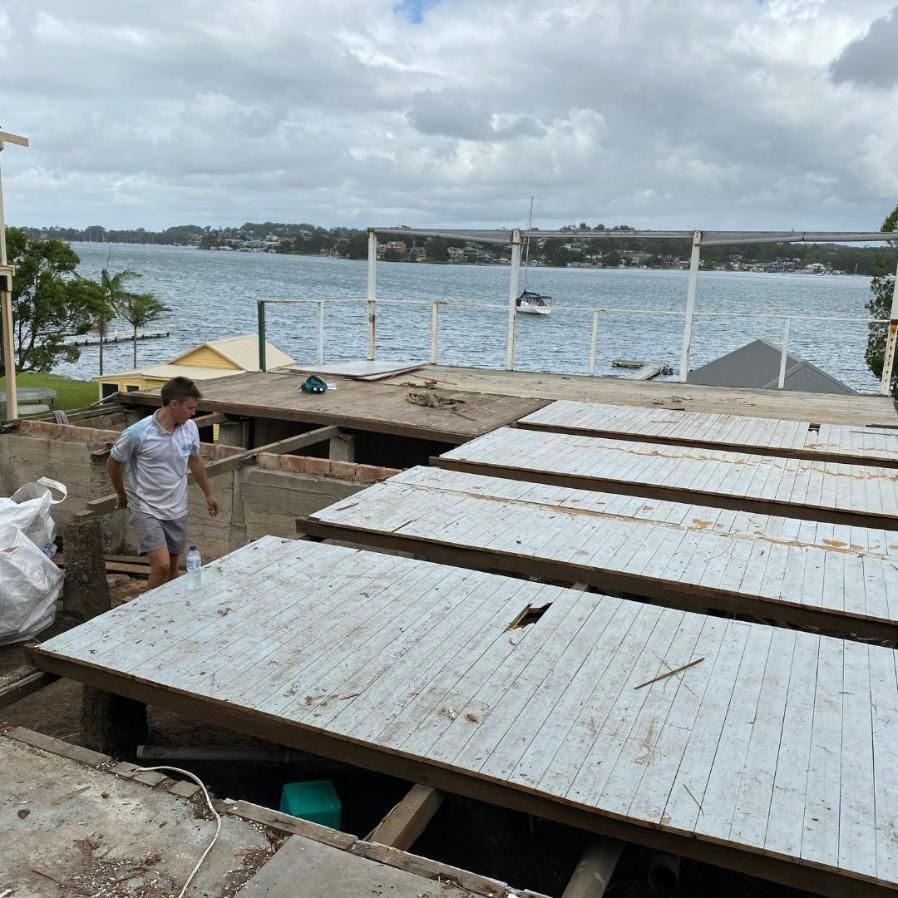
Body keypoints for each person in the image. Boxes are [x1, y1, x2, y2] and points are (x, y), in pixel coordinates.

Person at [106, 376, 218, 590]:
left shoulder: (190, 428)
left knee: (173, 567)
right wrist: (121, 494)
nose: (193, 413)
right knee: (161, 565)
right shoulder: (137, 433)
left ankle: (169, 609)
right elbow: (113, 463)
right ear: (173, 405)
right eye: (190, 408)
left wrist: (209, 494)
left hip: (176, 507)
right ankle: (145, 613)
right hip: (145, 507)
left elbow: (194, 460)